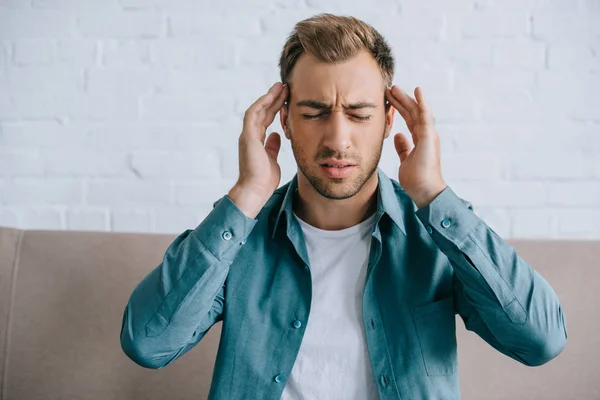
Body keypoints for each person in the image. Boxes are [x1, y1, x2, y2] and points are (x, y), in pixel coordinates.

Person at [120, 13, 567, 400]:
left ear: (390, 119)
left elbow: (540, 341)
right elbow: (148, 343)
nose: (337, 139)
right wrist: (247, 194)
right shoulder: (240, 239)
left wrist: (431, 192)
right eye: (314, 113)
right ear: (286, 120)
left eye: (358, 113)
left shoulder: (437, 236)